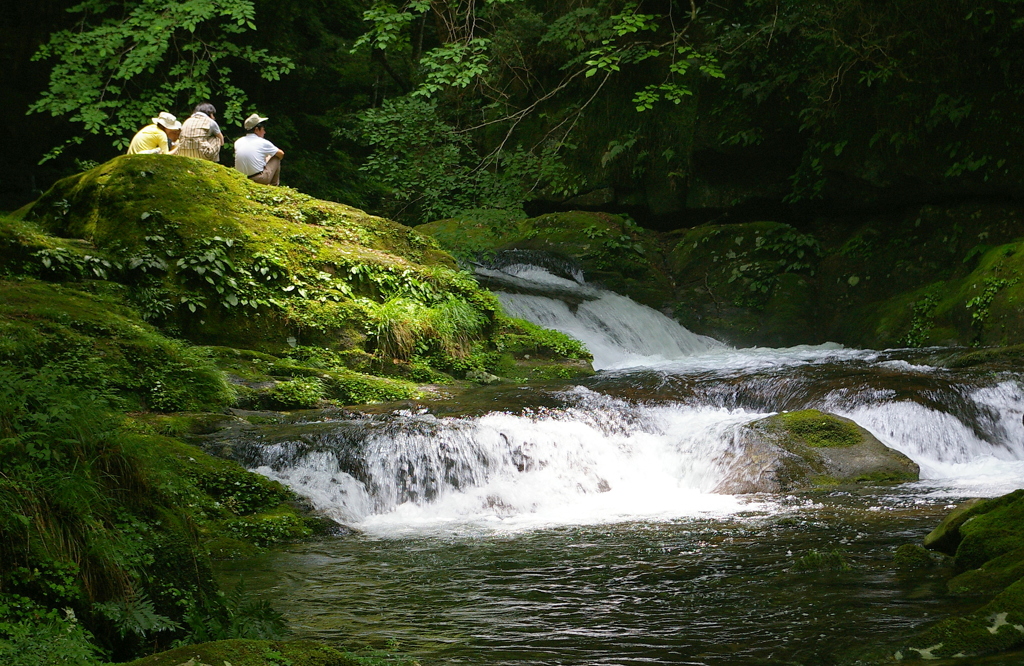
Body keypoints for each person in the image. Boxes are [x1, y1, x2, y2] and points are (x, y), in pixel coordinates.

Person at [234, 114, 284, 186]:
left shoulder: (238, 141)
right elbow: (281, 154)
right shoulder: (263, 142)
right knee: (276, 157)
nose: (264, 132)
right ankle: (274, 186)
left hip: (242, 177)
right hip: (258, 179)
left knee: (268, 156)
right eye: (263, 129)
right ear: (257, 129)